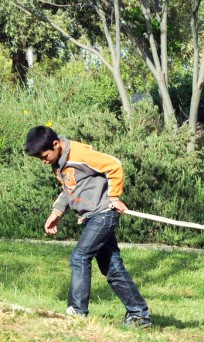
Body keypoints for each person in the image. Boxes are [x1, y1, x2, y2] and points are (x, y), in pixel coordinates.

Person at [24, 126, 151, 327]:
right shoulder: (58, 162)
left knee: (80, 257)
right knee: (112, 266)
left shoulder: (79, 154)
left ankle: (76, 313)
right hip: (91, 217)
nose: (44, 161)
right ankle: (139, 315)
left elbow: (114, 165)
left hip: (103, 214)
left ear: (56, 144)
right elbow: (68, 189)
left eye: (44, 155)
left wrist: (114, 196)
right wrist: (56, 213)